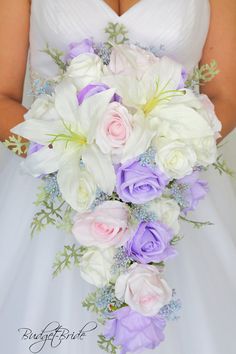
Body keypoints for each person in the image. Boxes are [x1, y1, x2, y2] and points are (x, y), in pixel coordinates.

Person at [0, 1, 235, 353]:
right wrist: (73, 160)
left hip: (174, 189)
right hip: (57, 187)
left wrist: (156, 163)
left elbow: (224, 96)